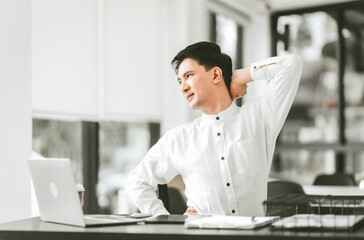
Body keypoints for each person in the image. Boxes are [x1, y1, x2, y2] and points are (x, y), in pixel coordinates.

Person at [127, 41, 303, 216]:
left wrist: (240, 76)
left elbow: (291, 64)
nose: (183, 87)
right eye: (180, 81)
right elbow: (137, 181)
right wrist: (166, 221)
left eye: (189, 76)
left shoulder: (258, 117)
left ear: (216, 74)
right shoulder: (179, 138)